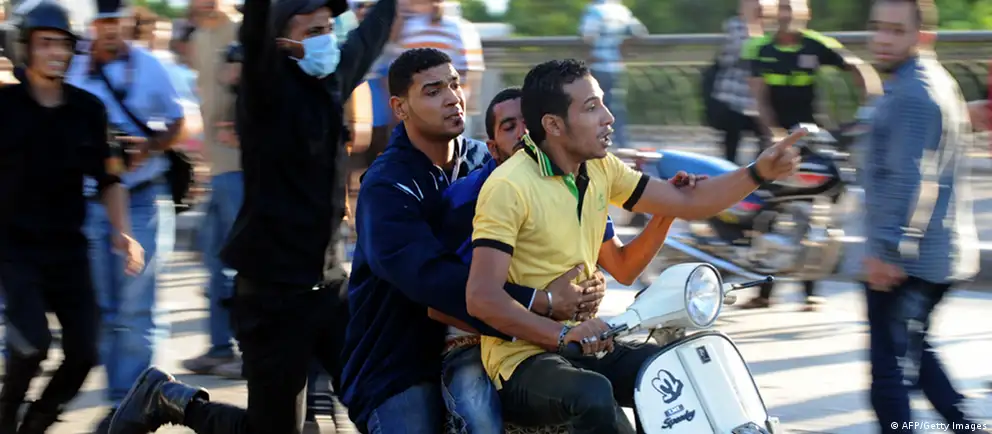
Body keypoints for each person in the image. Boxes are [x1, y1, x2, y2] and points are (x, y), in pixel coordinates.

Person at [465, 58, 804, 434]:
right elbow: (481, 297)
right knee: (592, 393)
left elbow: (687, 203)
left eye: (603, 103)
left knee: (671, 369)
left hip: (587, 341)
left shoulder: (600, 168)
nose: (608, 117)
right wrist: (561, 335)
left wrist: (759, 172)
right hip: (521, 358)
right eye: (591, 107)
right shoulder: (508, 187)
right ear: (554, 125)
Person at [107, 0, 399, 432]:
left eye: (327, 29)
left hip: (328, 289)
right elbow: (256, 27)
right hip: (272, 297)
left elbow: (372, 31)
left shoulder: (334, 81)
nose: (324, 39)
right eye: (311, 30)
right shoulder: (265, 89)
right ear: (282, 39)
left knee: (383, 402)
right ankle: (169, 399)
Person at [339, 48, 605, 434]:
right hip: (401, 360)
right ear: (399, 108)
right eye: (433, 91)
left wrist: (585, 281)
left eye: (454, 84)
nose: (452, 97)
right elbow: (430, 277)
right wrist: (541, 301)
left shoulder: (486, 161)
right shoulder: (386, 187)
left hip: (499, 346)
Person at [430, 86, 702, 434]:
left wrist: (667, 210)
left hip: (572, 340)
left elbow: (622, 267)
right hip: (486, 343)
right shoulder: (472, 198)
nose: (523, 133)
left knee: (669, 371)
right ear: (493, 148)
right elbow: (456, 297)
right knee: (484, 422)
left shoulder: (573, 180)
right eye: (509, 126)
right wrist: (546, 303)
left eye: (528, 122)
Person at [0, 2, 143, 432]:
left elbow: (110, 179)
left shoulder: (88, 110)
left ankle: (36, 423)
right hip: (14, 249)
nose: (56, 53)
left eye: (63, 44)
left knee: (84, 353)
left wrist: (123, 232)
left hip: (69, 249)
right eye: (46, 43)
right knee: (30, 347)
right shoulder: (4, 106)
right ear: (26, 47)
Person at [863, 1, 987, 433]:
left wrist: (887, 251)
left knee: (889, 380)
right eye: (878, 28)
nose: (882, 39)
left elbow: (912, 180)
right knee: (915, 355)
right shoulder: (931, 80)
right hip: (933, 252)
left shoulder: (912, 94)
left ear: (924, 36)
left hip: (907, 260)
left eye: (897, 31)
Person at [64, 0, 186, 429]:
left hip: (143, 199)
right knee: (101, 310)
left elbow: (180, 123)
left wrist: (149, 145)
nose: (111, 29)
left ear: (128, 22)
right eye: (103, 22)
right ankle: (120, 398)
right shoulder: (72, 67)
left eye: (117, 21)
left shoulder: (151, 66)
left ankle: (128, 406)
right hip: (89, 201)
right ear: (92, 25)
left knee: (136, 311)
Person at [738, 0, 882, 311]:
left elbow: (858, 67)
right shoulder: (760, 48)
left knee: (810, 210)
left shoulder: (817, 44)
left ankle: (809, 291)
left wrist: (871, 107)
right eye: (783, 8)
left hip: (809, 139)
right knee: (767, 212)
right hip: (772, 140)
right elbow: (758, 97)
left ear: (806, 13)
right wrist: (774, 133)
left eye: (793, 8)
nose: (787, 15)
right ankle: (762, 292)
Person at [179, 0, 244, 381]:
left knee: (243, 264)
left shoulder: (245, 30)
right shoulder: (201, 36)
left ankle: (250, 351)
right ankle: (220, 347)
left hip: (243, 166)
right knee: (215, 263)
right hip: (217, 167)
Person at [398, 0, 484, 138]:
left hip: (452, 105)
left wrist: (468, 107)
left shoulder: (462, 29)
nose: (435, 5)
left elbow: (472, 71)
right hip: (419, 107)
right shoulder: (409, 28)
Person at [577, 0, 647, 149]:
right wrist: (621, 46)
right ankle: (621, 141)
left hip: (598, 64)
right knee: (616, 104)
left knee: (593, 104)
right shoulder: (621, 10)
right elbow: (639, 32)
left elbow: (588, 36)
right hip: (616, 65)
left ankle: (596, 141)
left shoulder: (595, 10)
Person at [712, 0, 768, 163]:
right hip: (734, 94)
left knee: (766, 136)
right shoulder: (735, 26)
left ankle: (759, 171)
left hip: (760, 98)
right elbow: (739, 52)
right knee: (732, 141)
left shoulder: (771, 26)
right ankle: (730, 170)